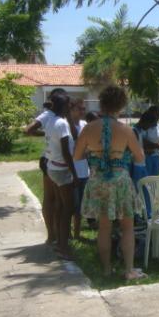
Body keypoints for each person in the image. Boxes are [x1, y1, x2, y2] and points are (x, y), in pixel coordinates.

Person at [74, 85, 146, 280]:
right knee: (127, 227)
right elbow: (140, 159)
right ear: (121, 106)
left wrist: (96, 154)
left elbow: (77, 155)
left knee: (104, 227)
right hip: (120, 181)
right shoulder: (126, 130)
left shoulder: (89, 128)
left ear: (102, 103)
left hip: (98, 180)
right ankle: (129, 270)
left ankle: (106, 269)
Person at [24, 87, 67, 245]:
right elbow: (28, 130)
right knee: (51, 199)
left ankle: (54, 234)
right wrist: (47, 135)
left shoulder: (58, 115)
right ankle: (52, 235)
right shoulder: (48, 114)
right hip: (50, 159)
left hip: (53, 159)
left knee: (55, 199)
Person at [45, 93, 78, 259]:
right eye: (69, 105)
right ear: (64, 107)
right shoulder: (62, 124)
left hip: (52, 167)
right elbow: (66, 152)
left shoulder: (51, 121)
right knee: (68, 208)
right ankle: (64, 247)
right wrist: (75, 174)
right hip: (62, 170)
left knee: (60, 206)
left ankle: (59, 242)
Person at [68, 97, 90, 239]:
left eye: (84, 109)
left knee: (80, 206)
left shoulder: (84, 124)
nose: (82, 111)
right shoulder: (66, 125)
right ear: (71, 110)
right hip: (71, 171)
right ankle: (67, 232)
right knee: (71, 205)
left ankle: (77, 233)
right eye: (79, 109)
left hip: (84, 170)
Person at [142, 105, 159, 176]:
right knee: (147, 178)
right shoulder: (146, 125)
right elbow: (142, 140)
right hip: (147, 155)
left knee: (155, 178)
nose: (158, 116)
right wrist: (157, 146)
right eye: (157, 114)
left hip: (157, 155)